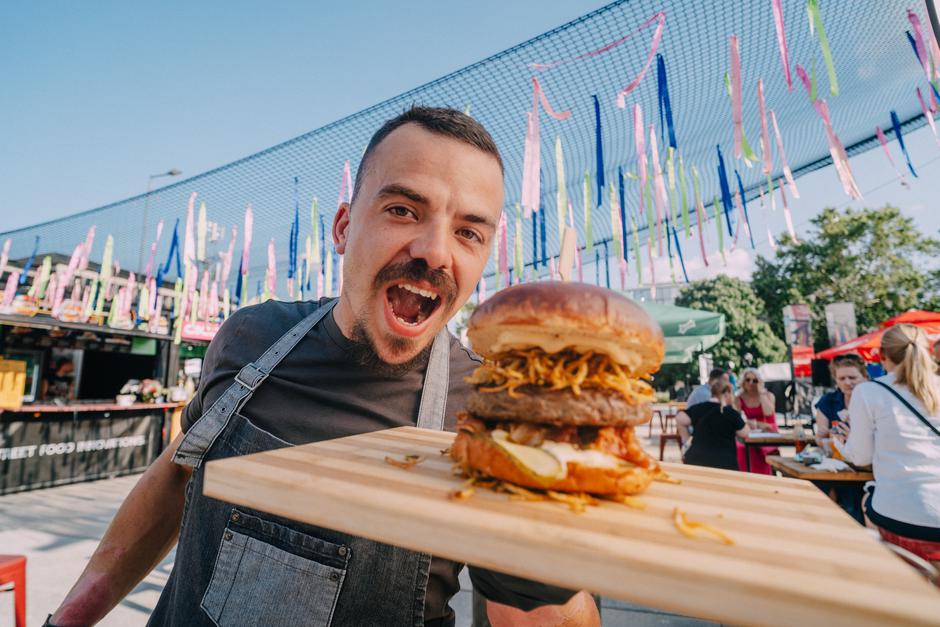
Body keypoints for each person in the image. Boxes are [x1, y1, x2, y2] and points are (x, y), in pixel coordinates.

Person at [48, 108, 598, 627]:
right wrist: (70, 618)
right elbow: (176, 474)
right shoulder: (250, 339)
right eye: (403, 209)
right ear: (341, 227)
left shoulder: (490, 409)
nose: (435, 251)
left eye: (468, 232)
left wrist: (546, 526)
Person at [835, 324, 940, 567]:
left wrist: (843, 443)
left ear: (882, 356)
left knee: (867, 501)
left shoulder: (869, 392)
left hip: (903, 515)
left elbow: (860, 457)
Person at [812, 353, 869, 524]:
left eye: (852, 377)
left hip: (865, 466)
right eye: (841, 378)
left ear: (864, 377)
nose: (847, 382)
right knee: (816, 488)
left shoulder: (872, 399)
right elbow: (820, 438)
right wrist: (830, 437)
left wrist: (853, 437)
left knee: (851, 498)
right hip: (838, 463)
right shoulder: (829, 401)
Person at [676, 381, 749, 470]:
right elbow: (745, 433)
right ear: (726, 393)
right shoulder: (730, 412)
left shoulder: (699, 408)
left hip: (696, 459)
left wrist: (688, 440)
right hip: (724, 462)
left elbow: (679, 419)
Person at [734, 368, 778, 474]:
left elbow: (768, 413)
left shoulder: (768, 395)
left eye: (755, 380)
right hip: (752, 432)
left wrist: (761, 393)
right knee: (742, 448)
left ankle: (765, 476)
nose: (751, 383)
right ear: (743, 381)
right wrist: (756, 424)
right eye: (747, 380)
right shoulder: (739, 398)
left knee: (762, 448)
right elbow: (736, 418)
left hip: (769, 431)